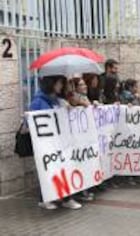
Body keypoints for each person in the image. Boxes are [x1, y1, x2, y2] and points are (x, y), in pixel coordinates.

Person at [30, 76, 82, 210]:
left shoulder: (59, 101)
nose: (60, 86)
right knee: (48, 171)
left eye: (62, 83)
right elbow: (31, 123)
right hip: (46, 145)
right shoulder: (38, 102)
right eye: (59, 83)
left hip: (60, 143)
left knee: (64, 169)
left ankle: (66, 198)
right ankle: (45, 199)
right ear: (51, 84)